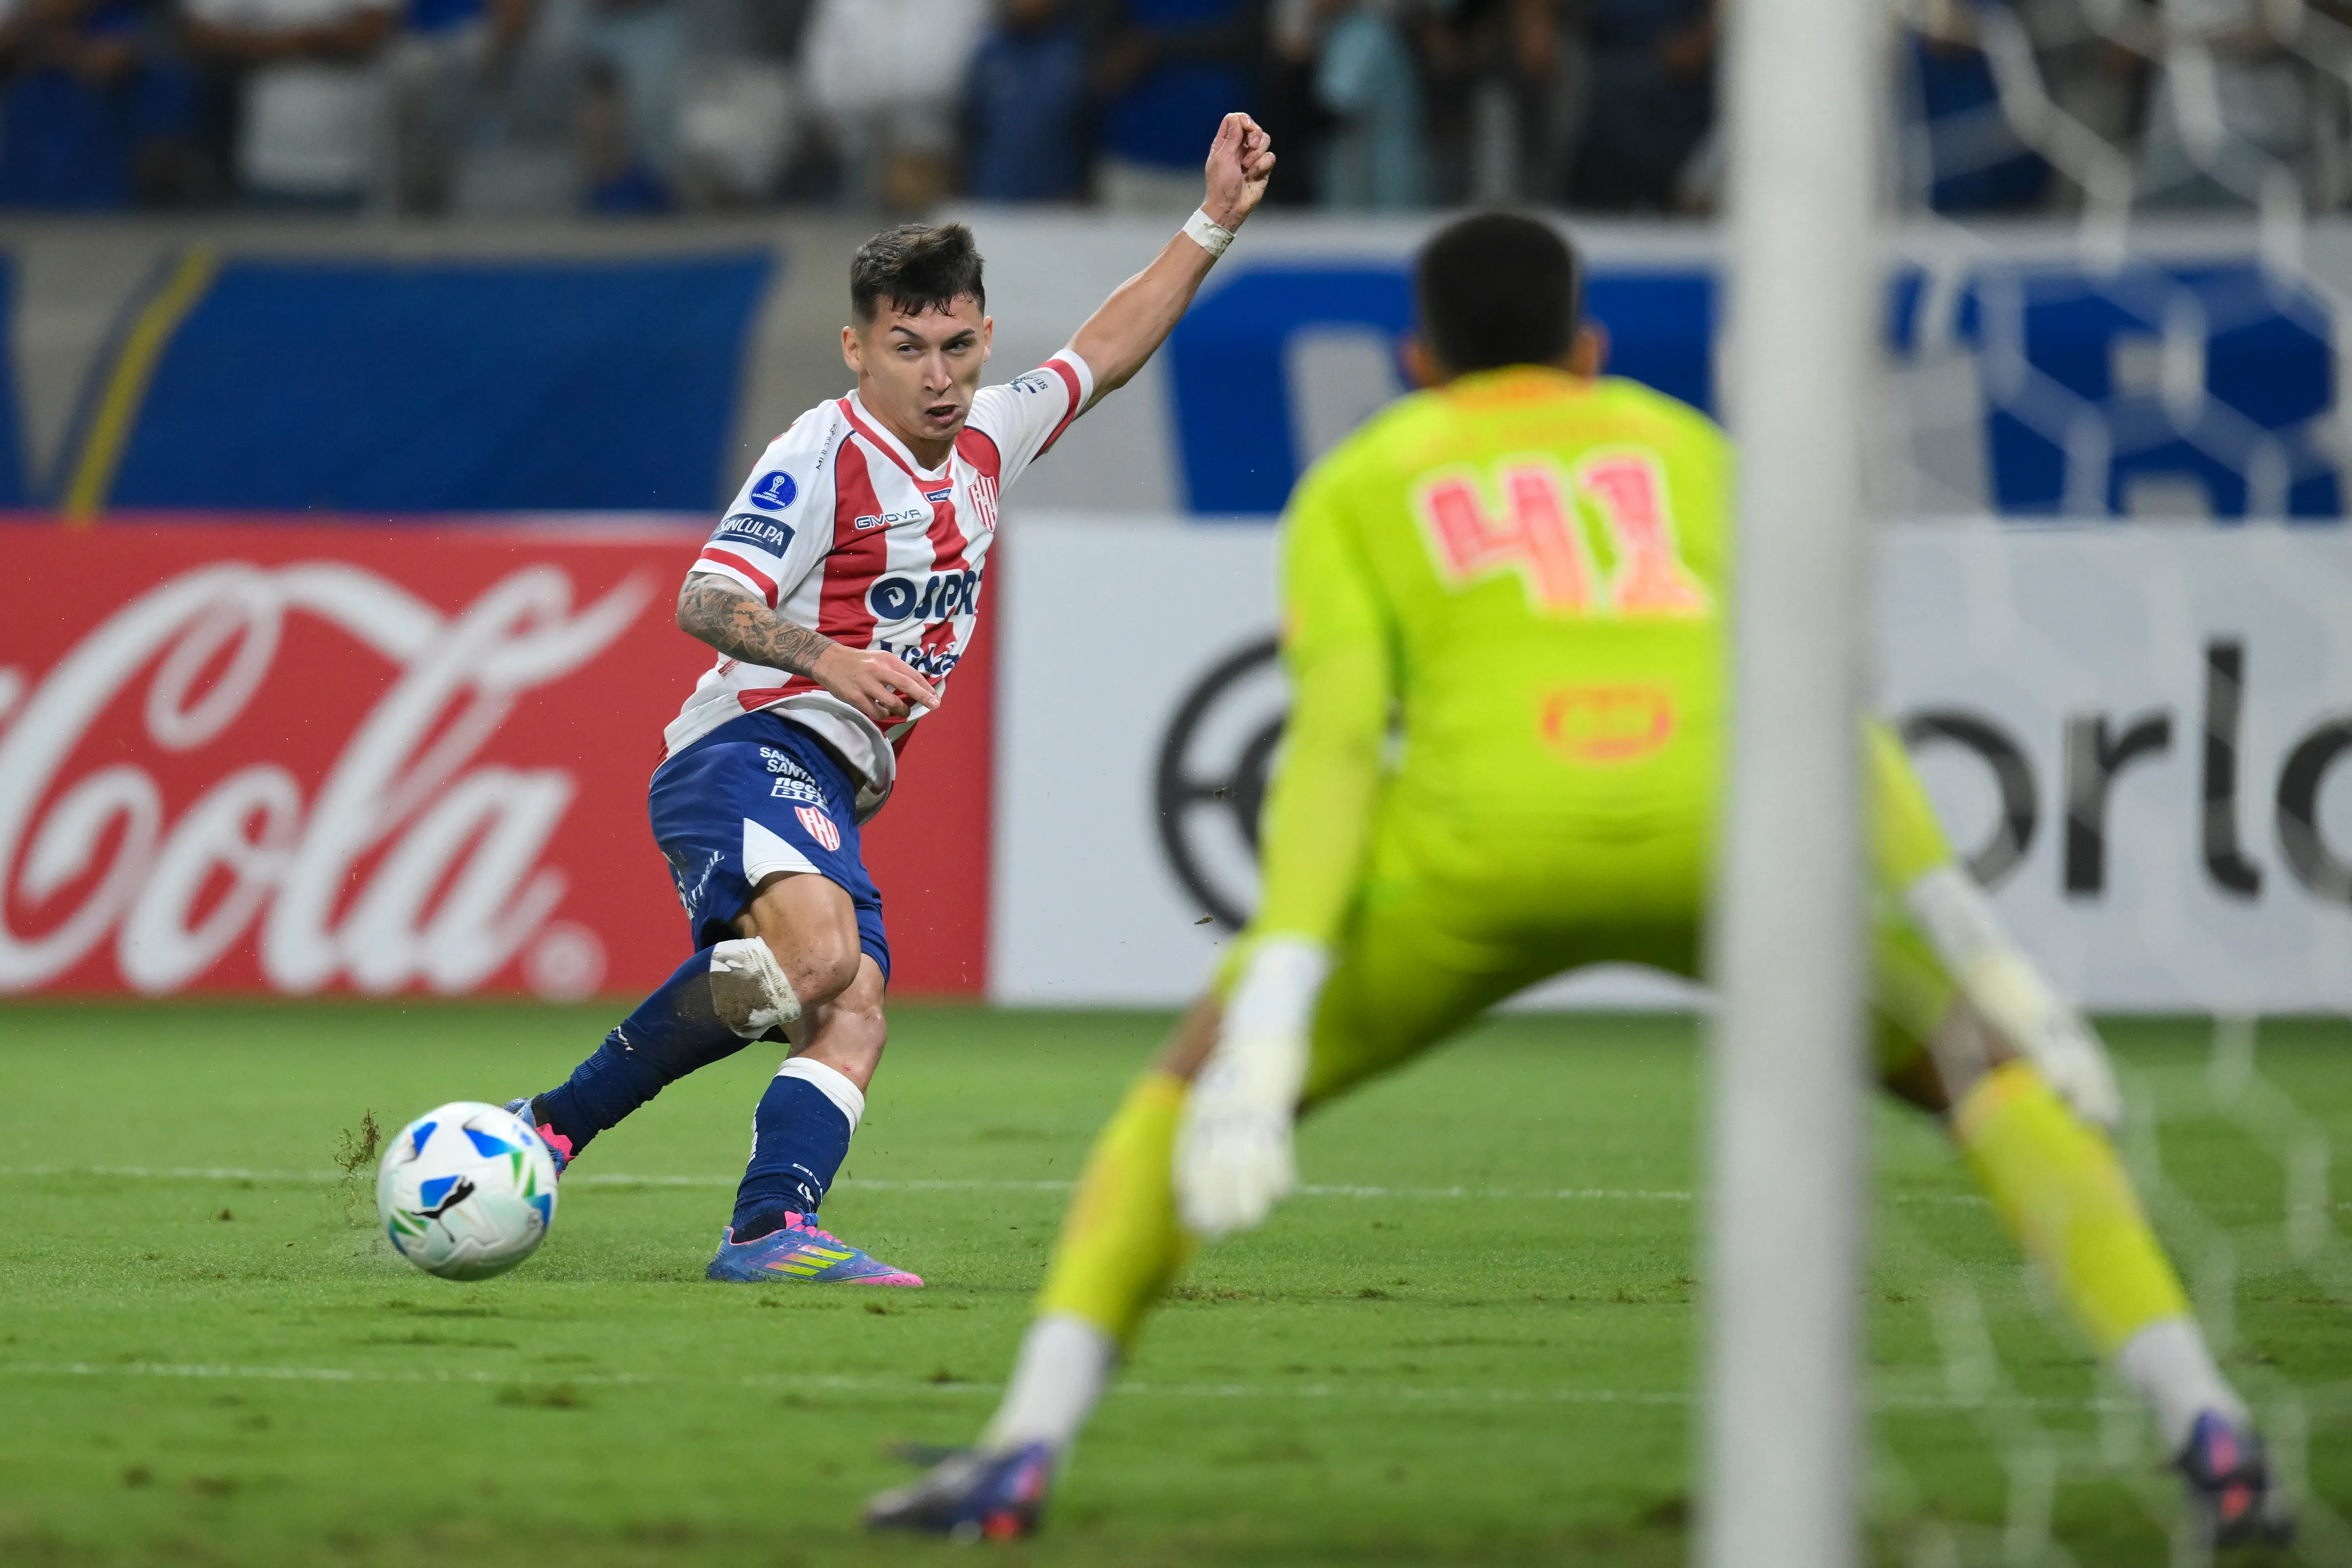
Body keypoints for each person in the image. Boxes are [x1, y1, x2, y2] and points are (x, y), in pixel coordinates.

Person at [862, 211, 2294, 1546]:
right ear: (1588, 350)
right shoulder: (1689, 452)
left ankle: (1022, 1451)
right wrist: (1978, 948)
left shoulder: (1365, 479)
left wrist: (1279, 1001)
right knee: (1984, 1084)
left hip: (1472, 861)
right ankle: (2210, 1427)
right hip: (1720, 843)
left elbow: (1339, 751)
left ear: (1416, 367)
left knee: (1177, 1095)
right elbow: (1820, 708)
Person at [504, 114, 1277, 1290]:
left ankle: (769, 1228)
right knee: (821, 960)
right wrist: (826, 658)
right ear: (856, 349)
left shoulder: (985, 439)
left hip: (826, 778)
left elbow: (1106, 349)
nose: (939, 376)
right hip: (747, 745)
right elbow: (707, 598)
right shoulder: (820, 451)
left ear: (982, 338)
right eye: (909, 347)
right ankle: (549, 1127)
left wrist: (1210, 221)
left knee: (853, 1007)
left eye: (958, 346)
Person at [183, 0, 395, 205]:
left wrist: (264, 42)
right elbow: (201, 33)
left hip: (355, 169)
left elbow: (369, 33)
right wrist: (309, 39)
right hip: (262, 162)